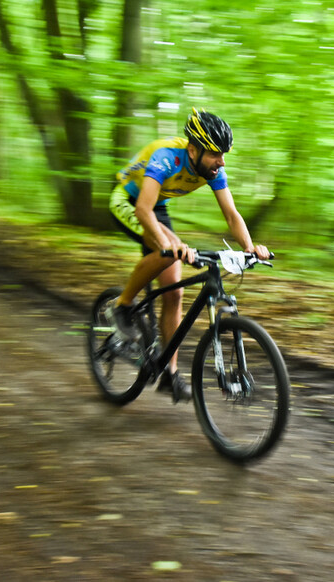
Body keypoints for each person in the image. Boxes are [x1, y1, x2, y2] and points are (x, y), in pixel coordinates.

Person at [107, 108, 270, 402]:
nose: (221, 161)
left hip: (155, 205)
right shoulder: (166, 157)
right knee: (169, 251)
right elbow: (143, 210)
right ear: (192, 150)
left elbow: (231, 215)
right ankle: (122, 305)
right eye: (215, 154)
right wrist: (168, 244)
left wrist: (250, 248)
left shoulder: (213, 170)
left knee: (174, 295)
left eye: (224, 154)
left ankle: (169, 375)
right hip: (129, 201)